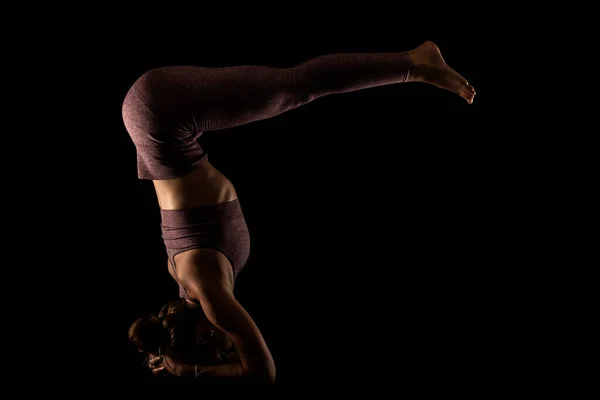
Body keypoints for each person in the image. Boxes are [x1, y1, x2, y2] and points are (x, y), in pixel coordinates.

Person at [123, 40, 476, 383]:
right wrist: (170, 353)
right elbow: (187, 333)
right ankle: (413, 65)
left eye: (220, 354)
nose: (228, 353)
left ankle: (415, 63)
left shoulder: (209, 294)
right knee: (290, 88)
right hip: (154, 120)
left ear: (204, 337)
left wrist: (190, 371)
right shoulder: (190, 286)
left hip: (162, 118)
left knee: (292, 88)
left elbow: (262, 372)